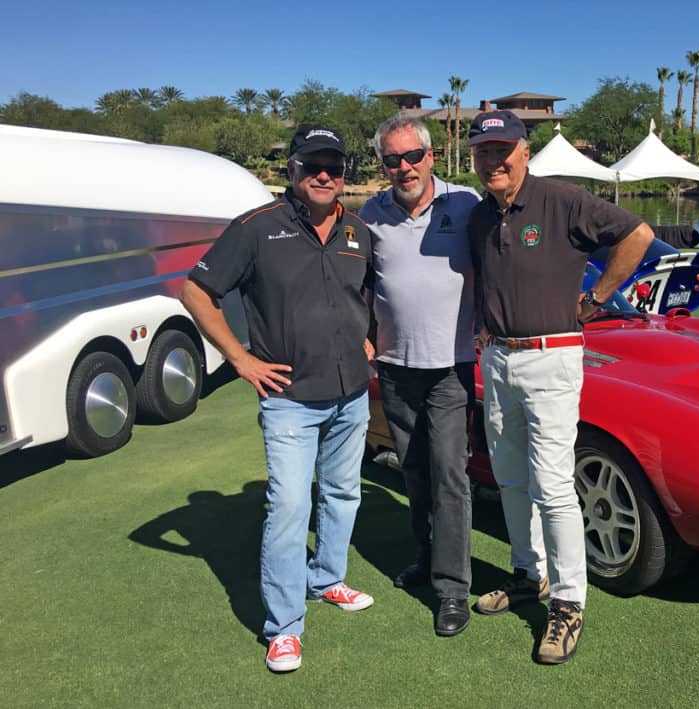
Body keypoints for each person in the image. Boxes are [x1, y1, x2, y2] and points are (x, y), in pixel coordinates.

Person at [180, 125, 375, 673]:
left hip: (351, 392)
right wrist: (240, 359)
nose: (323, 175)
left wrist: (370, 336)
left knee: (342, 494)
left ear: (344, 174)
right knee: (290, 507)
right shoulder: (256, 229)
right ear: (292, 168)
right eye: (312, 164)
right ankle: (284, 627)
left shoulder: (358, 231)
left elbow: (369, 294)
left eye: (333, 166)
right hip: (289, 397)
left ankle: (328, 579)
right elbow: (196, 290)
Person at [466, 110, 654, 664]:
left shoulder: (562, 200)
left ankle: (569, 604)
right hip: (498, 360)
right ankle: (530, 574)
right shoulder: (480, 216)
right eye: (482, 151)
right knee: (510, 476)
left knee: (551, 484)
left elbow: (637, 235)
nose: (493, 160)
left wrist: (595, 302)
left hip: (552, 358)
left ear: (525, 150)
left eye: (503, 149)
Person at [358, 116, 480, 637]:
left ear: (431, 156)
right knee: (414, 472)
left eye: (412, 157)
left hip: (452, 366)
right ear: (382, 164)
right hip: (395, 365)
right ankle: (428, 561)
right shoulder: (370, 213)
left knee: (451, 477)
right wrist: (364, 332)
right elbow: (361, 281)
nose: (403, 167)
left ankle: (453, 589)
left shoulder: (466, 203)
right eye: (392, 159)